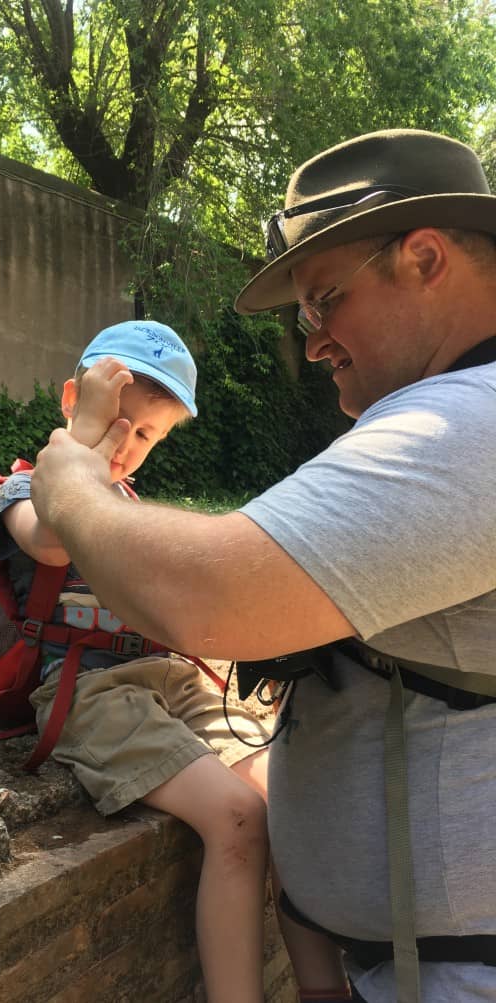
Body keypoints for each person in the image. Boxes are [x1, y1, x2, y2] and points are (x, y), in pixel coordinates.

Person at [28, 129, 496, 1003]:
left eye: (324, 301)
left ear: (424, 257)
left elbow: (207, 596)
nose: (312, 341)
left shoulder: (470, 424)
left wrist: (74, 484)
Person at [0, 319, 276, 1003]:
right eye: (114, 423)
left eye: (145, 435)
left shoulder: (128, 504)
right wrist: (78, 449)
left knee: (289, 787)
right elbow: (55, 543)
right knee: (236, 815)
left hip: (165, 678)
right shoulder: (22, 492)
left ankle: (319, 979)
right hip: (90, 689)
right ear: (72, 402)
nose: (123, 446)